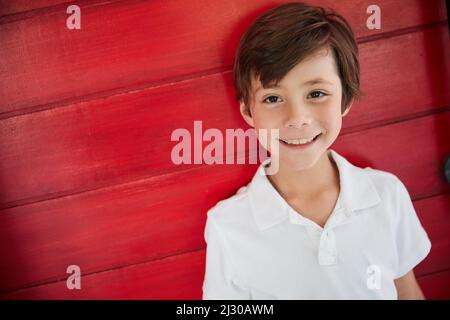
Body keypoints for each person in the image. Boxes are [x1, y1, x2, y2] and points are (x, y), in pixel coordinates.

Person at [202, 2, 431, 299]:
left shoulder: (386, 195)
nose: (297, 117)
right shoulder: (228, 226)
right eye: (273, 98)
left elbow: (408, 294)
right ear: (248, 110)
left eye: (316, 94)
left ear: (345, 98)